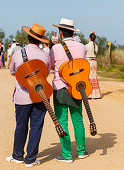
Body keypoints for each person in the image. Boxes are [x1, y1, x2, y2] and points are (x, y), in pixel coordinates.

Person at [6, 23, 51, 168]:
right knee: (36, 126)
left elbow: (12, 71)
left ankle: (17, 155)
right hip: (40, 95)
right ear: (41, 40)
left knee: (21, 126)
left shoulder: (18, 54)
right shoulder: (45, 56)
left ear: (27, 37)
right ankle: (31, 159)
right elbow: (46, 74)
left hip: (22, 97)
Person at [50, 18, 88, 163]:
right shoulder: (81, 47)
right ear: (73, 32)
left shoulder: (55, 48)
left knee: (62, 121)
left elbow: (52, 66)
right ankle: (82, 150)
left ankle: (66, 155)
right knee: (78, 120)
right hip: (77, 87)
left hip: (60, 88)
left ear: (60, 33)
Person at [85, 31, 101, 99]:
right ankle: (96, 94)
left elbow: (84, 52)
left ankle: (89, 94)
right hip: (94, 62)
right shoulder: (96, 46)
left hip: (88, 62)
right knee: (94, 77)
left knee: (88, 77)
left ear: (89, 38)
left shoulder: (87, 45)